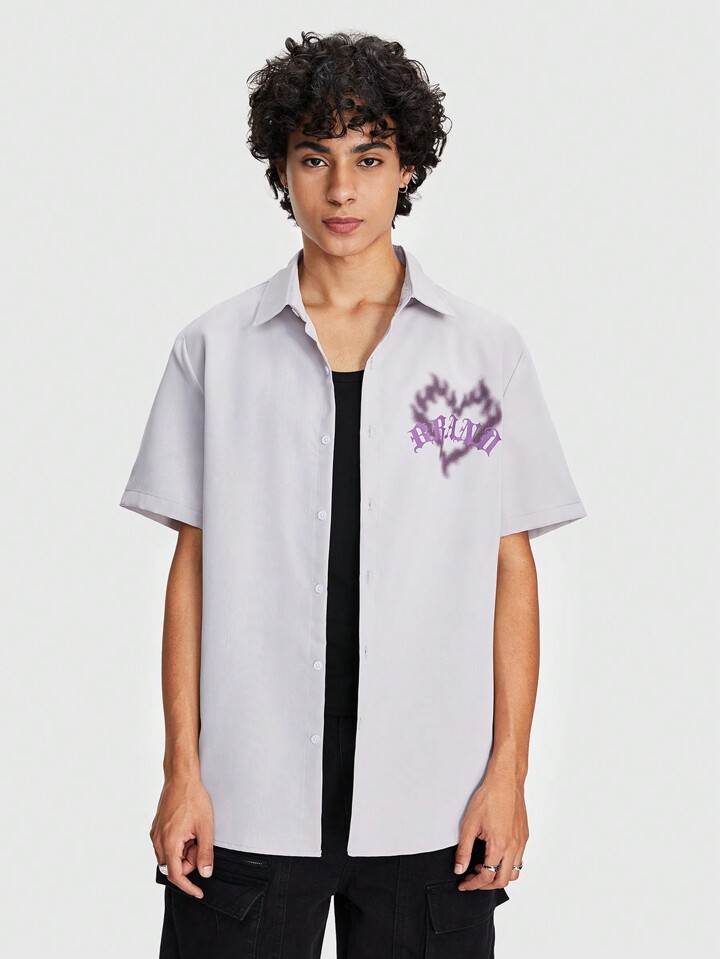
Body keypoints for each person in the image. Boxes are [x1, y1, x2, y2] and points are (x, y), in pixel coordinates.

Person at [119, 30, 587, 958]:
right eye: (314, 158)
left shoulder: (480, 352)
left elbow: (511, 570)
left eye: (369, 159)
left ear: (406, 169)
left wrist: (509, 774)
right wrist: (183, 772)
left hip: (435, 804)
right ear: (280, 171)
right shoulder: (216, 349)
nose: (342, 190)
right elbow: (192, 568)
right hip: (246, 800)